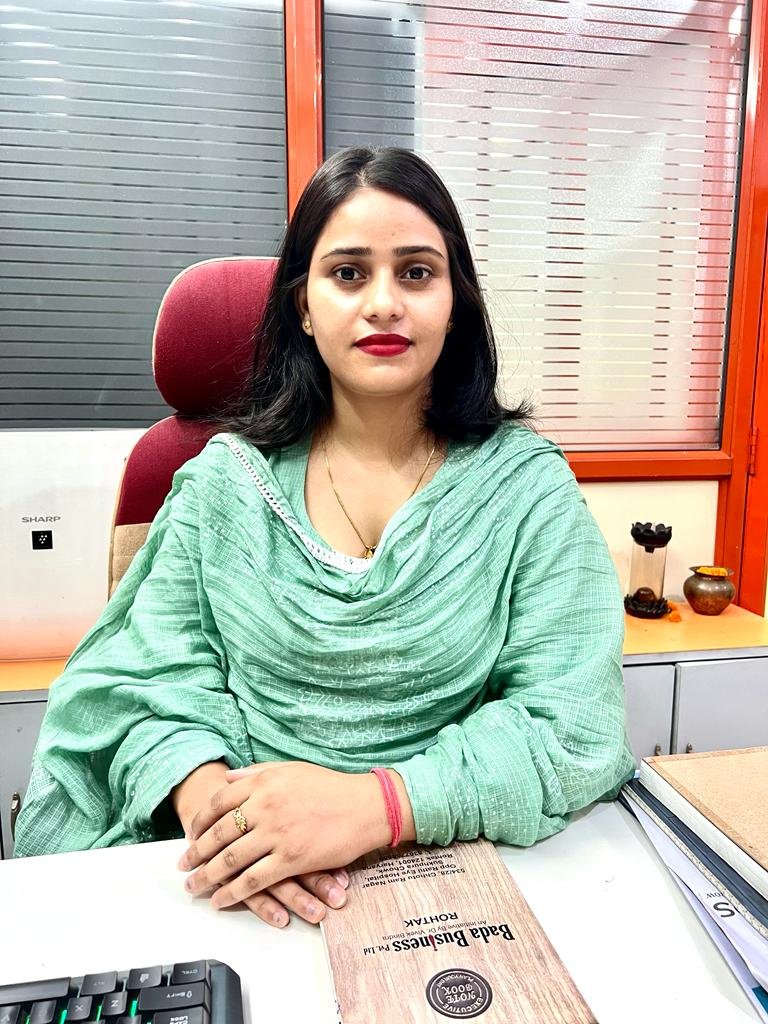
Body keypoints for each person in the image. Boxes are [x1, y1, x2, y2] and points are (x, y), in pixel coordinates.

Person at [14, 146, 635, 932]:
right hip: (245, 887)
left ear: (456, 303)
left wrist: (376, 805)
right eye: (348, 273)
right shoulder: (226, 487)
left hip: (462, 869)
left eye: (417, 272)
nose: (384, 303)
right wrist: (225, 816)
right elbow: (136, 687)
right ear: (303, 306)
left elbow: (574, 721)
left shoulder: (524, 488)